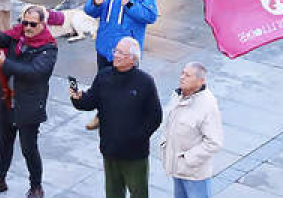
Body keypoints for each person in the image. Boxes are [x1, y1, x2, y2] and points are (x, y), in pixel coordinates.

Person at [0, 6, 58, 198]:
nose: (27, 27)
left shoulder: (49, 49)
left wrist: (6, 64)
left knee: (29, 149)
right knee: (4, 143)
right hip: (6, 100)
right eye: (25, 22)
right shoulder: (17, 35)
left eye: (32, 24)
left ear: (43, 24)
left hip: (27, 106)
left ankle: (36, 187)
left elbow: (34, 72)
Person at [71, 36, 163, 198]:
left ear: (133, 59)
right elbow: (90, 101)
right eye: (116, 51)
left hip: (135, 154)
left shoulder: (145, 82)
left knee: (139, 193)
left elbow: (155, 117)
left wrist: (137, 137)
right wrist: (78, 98)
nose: (116, 55)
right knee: (113, 193)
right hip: (110, 150)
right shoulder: (104, 76)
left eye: (121, 53)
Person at [160, 62, 224, 198]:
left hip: (194, 174)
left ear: (201, 81)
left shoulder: (207, 105)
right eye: (182, 73)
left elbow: (214, 142)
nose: (182, 77)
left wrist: (187, 159)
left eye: (187, 75)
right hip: (177, 168)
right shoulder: (177, 95)